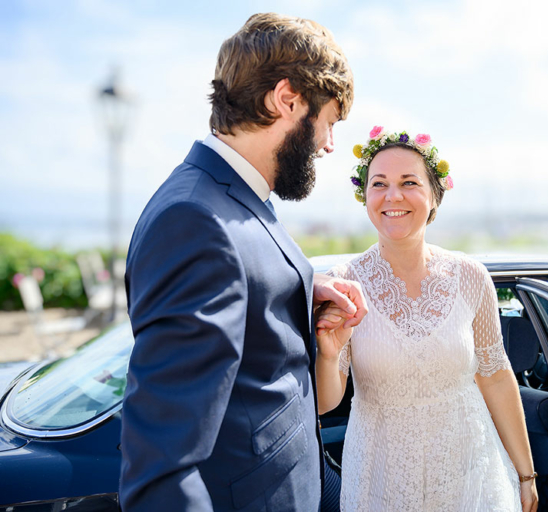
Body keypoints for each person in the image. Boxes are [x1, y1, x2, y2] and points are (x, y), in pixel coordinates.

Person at [119, 14, 366, 512]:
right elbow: (161, 467)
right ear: (287, 99)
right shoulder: (195, 220)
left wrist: (301, 288)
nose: (329, 144)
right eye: (330, 121)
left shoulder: (236, 199)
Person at [315, 127, 539, 511]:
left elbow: (497, 375)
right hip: (382, 480)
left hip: (470, 473)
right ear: (365, 196)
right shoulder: (345, 283)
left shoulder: (471, 276)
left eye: (409, 182)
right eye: (379, 183)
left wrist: (525, 474)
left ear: (435, 195)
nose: (393, 196)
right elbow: (324, 403)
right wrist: (328, 355)